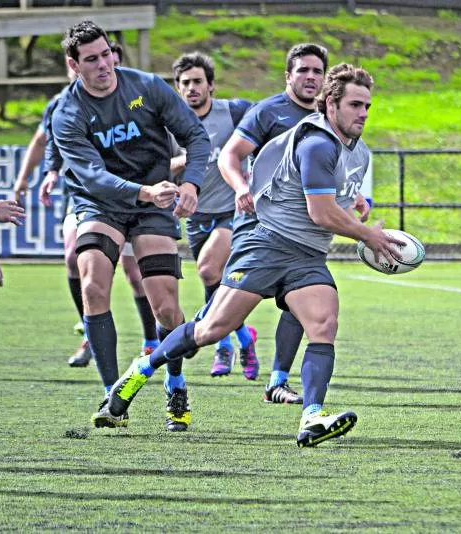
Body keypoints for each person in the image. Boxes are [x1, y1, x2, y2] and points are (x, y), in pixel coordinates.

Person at [103, 63, 396, 447]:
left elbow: (332, 199)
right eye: (356, 105)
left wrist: (353, 203)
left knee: (323, 325)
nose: (363, 114)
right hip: (267, 245)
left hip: (307, 256)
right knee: (211, 330)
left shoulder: (357, 152)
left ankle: (311, 417)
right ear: (330, 105)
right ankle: (141, 371)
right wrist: (368, 235)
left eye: (367, 106)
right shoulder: (317, 142)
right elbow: (320, 212)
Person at [50, 21, 210, 432]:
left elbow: (196, 135)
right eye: (92, 59)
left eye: (106, 54)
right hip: (102, 202)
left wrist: (189, 184)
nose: (104, 64)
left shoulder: (147, 87)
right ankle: (112, 395)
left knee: (167, 307)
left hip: (152, 204)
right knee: (92, 284)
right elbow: (92, 176)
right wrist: (144, 191)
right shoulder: (66, 112)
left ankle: (175, 385)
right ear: (74, 64)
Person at [217, 43, 350, 404]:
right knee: (217, 320)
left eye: (317, 71)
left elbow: (336, 174)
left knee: (301, 301)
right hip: (260, 226)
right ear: (288, 76)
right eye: (303, 70)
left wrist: (354, 202)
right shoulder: (269, 112)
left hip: (305, 234)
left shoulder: (332, 119)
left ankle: (277, 380)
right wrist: (241, 186)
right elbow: (230, 155)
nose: (311, 77)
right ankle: (165, 359)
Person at [14, 43, 161, 368]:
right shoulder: (64, 105)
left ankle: (151, 340)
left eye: (108, 62)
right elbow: (44, 141)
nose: (104, 70)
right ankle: (92, 334)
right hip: (88, 199)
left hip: (132, 200)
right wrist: (40, 175)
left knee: (135, 273)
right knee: (73, 259)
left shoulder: (135, 97)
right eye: (91, 61)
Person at [169, 52, 259, 379]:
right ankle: (243, 338)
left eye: (197, 82)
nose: (192, 88)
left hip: (233, 213)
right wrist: (178, 163)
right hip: (195, 217)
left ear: (211, 86)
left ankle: (220, 344)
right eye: (185, 83)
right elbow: (156, 166)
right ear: (177, 88)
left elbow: (271, 130)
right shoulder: (170, 123)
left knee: (208, 270)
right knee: (217, 281)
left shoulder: (235, 112)